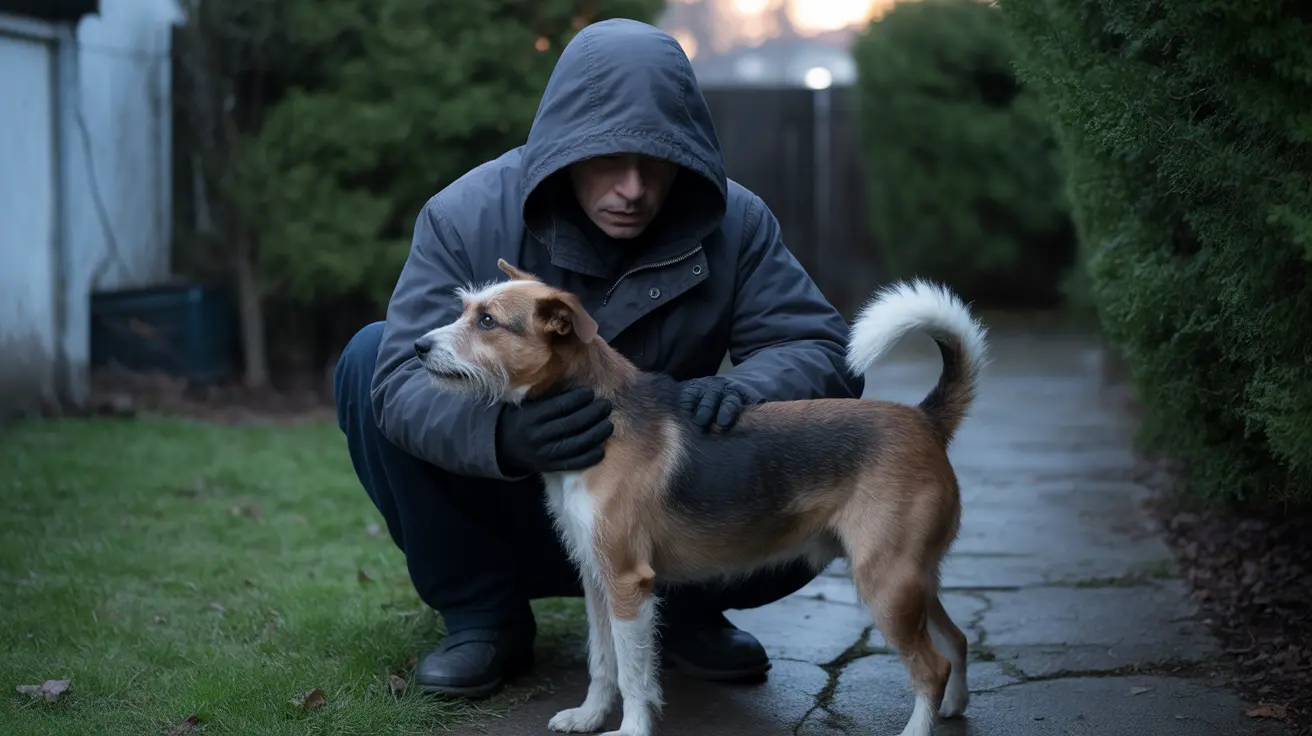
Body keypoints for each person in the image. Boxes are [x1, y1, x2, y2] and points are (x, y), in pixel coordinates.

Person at [333, 18, 865, 699]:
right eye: (609, 161)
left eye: (657, 163)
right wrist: (499, 436)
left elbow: (820, 346)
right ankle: (482, 617)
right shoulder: (464, 214)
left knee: (819, 452)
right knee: (366, 355)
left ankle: (685, 617)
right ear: (563, 150)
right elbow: (398, 386)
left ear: (689, 155)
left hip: (675, 513)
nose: (634, 188)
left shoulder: (738, 221)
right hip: (501, 510)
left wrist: (747, 390)